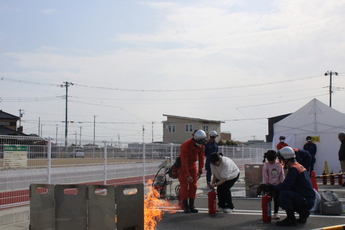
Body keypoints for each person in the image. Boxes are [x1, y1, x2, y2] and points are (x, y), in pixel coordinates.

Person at [264, 146, 315, 226]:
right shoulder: (297, 165)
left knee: (283, 194)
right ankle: (303, 213)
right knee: (287, 193)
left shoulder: (294, 169)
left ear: (286, 158)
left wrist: (271, 187)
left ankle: (291, 219)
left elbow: (286, 186)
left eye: (281, 159)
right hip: (307, 198)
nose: (280, 161)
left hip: (306, 200)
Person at [178, 129, 206, 213]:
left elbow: (201, 158)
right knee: (184, 186)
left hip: (193, 165)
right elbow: (184, 161)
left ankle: (191, 205)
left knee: (193, 186)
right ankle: (185, 205)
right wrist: (187, 175)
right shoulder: (186, 145)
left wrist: (200, 170)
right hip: (183, 166)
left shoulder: (201, 145)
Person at [262, 150, 285, 220]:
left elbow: (282, 174)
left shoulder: (279, 164)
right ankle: (267, 213)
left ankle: (276, 213)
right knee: (268, 199)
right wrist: (265, 184)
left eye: (272, 160)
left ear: (275, 158)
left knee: (277, 199)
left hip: (277, 185)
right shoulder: (266, 165)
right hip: (269, 185)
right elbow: (265, 175)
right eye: (269, 160)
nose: (271, 162)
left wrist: (282, 183)